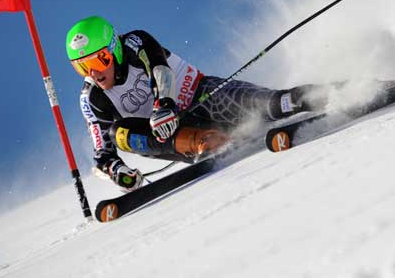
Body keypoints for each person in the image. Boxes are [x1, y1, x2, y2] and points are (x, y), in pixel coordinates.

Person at [66, 16, 328, 192]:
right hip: (178, 136)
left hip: (202, 97)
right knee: (120, 134)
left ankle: (330, 94)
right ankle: (208, 142)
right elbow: (103, 153)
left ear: (114, 48)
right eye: (82, 67)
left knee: (274, 104)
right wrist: (117, 172)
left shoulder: (135, 43)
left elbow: (160, 69)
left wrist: (164, 104)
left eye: (99, 60)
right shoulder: (91, 98)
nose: (94, 72)